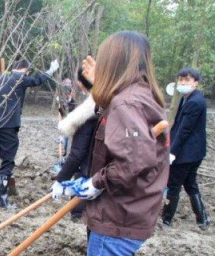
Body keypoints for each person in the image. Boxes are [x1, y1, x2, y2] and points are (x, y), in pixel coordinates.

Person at [66, 31, 169, 255]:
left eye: (105, 60)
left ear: (115, 62)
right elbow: (112, 113)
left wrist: (96, 182)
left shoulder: (127, 103)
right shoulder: (140, 94)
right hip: (130, 211)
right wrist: (98, 86)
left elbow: (134, 162)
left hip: (118, 215)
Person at [0, 58, 59, 208]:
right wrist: (51, 70)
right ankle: (2, 199)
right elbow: (38, 80)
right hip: (8, 125)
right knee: (7, 161)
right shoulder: (20, 79)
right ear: (26, 70)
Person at [161, 67, 210, 230]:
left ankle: (166, 221)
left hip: (187, 153)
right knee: (190, 184)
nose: (183, 83)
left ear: (195, 83)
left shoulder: (195, 102)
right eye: (180, 80)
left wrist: (172, 153)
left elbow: (184, 131)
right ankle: (202, 219)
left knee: (173, 184)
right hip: (195, 152)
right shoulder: (187, 98)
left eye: (187, 80)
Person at [51, 68, 96, 220]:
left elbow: (77, 153)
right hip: (101, 175)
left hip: (89, 173)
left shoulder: (89, 113)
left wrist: (60, 180)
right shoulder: (108, 107)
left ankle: (77, 216)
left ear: (81, 84)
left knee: (81, 215)